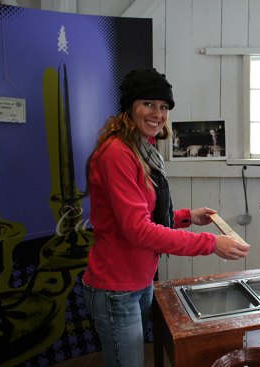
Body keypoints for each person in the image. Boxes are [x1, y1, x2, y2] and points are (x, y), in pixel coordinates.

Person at [82, 67, 250, 367]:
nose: (157, 114)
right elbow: (138, 230)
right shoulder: (117, 153)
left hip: (139, 280)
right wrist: (211, 243)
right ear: (129, 106)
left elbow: (144, 214)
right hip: (116, 288)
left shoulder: (140, 148)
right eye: (148, 104)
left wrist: (186, 216)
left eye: (163, 107)